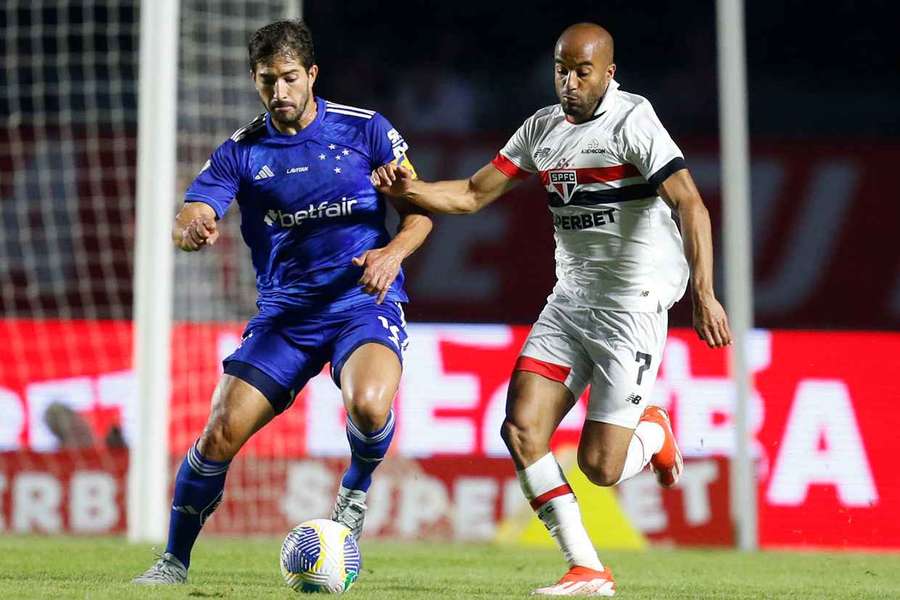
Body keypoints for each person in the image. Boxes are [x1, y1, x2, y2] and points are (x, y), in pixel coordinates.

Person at [372, 22, 731, 597]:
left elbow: (690, 204)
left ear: (608, 73)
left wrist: (706, 294)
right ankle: (587, 567)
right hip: (569, 300)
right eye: (561, 69)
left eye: (582, 71)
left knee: (600, 468)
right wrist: (405, 190)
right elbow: (470, 193)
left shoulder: (633, 120)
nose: (569, 81)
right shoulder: (541, 128)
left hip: (630, 306)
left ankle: (653, 433)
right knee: (520, 428)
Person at [134, 20, 431, 585]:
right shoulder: (240, 153)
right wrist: (193, 227)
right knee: (219, 431)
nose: (279, 93)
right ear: (254, 79)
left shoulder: (365, 131)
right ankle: (172, 561)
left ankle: (355, 490)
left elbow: (419, 211)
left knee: (369, 404)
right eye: (267, 80)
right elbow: (191, 214)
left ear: (312, 74)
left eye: (290, 78)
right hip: (286, 317)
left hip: (361, 303)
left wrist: (391, 253)